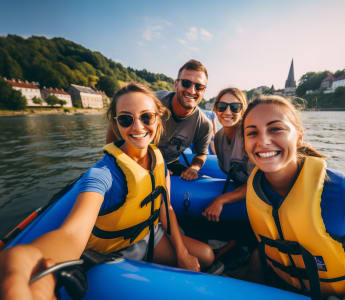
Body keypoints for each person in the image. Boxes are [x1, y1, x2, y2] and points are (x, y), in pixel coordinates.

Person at [0, 83, 214, 300]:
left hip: (148, 234)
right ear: (116, 124)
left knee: (206, 255)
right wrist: (28, 258)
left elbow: (165, 207)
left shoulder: (158, 159)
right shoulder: (102, 175)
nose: (138, 127)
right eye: (126, 119)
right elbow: (72, 235)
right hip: (114, 250)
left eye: (146, 117)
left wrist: (182, 252)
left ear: (158, 118)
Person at [242, 95, 345, 300]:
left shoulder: (344, 194)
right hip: (284, 286)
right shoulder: (255, 189)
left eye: (276, 129)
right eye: (252, 133)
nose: (263, 141)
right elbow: (267, 247)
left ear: (299, 137)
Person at [106, 59, 213, 181]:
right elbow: (117, 120)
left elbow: (202, 153)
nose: (191, 91)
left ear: (204, 91)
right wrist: (112, 158)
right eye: (186, 83)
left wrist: (194, 168)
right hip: (135, 158)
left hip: (170, 162)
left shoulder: (204, 124)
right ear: (176, 84)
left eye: (199, 87)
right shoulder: (153, 102)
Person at [202, 88, 253, 222]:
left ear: (243, 110)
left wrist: (221, 200)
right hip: (240, 188)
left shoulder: (250, 137)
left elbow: (261, 181)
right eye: (222, 106)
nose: (227, 112)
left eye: (235, 107)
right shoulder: (219, 138)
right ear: (215, 109)